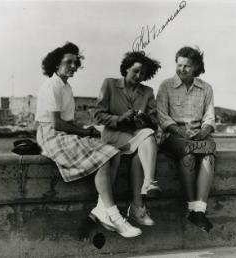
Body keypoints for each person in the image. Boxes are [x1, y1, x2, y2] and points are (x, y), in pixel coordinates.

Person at [35, 42, 141, 238]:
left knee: (114, 153)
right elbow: (56, 124)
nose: (74, 66)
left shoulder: (65, 86)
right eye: (69, 62)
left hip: (63, 134)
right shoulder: (52, 86)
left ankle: (102, 210)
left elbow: (67, 121)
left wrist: (83, 130)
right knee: (103, 157)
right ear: (56, 64)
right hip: (50, 136)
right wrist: (83, 133)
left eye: (76, 62)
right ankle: (114, 216)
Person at [94, 51, 161, 227]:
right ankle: (149, 183)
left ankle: (137, 207)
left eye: (143, 73)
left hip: (135, 138)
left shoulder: (147, 92)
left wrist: (145, 119)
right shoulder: (109, 84)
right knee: (147, 135)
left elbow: (154, 123)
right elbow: (98, 115)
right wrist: (119, 118)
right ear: (126, 69)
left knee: (141, 154)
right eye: (136, 71)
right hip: (113, 136)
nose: (139, 76)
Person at [156, 46, 216, 232]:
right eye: (179, 65)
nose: (181, 69)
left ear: (196, 66)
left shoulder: (206, 88)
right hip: (174, 136)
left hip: (198, 135)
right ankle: (191, 207)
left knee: (208, 157)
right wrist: (182, 133)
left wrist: (203, 132)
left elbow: (209, 116)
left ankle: (199, 211)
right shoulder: (166, 86)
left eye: (187, 66)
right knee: (189, 155)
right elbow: (162, 116)